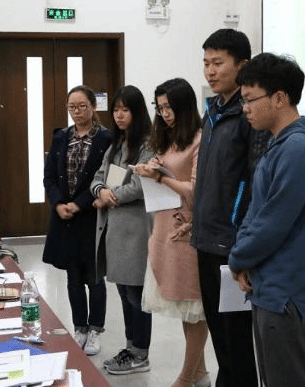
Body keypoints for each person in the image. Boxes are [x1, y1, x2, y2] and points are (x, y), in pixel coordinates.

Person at [228, 53, 305, 387]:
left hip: (288, 292)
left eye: (250, 100)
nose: (245, 109)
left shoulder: (298, 149)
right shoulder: (279, 145)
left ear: (279, 98)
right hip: (270, 285)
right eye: (243, 101)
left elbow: (273, 223)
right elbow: (255, 211)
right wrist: (244, 259)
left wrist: (238, 259)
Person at [191, 28, 267, 387]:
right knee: (220, 339)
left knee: (236, 343)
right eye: (206, 63)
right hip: (206, 240)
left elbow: (253, 186)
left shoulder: (249, 116)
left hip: (231, 246)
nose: (210, 70)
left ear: (243, 65)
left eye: (218, 63)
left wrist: (243, 243)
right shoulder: (212, 112)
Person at [134, 79, 208, 387]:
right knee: (183, 306)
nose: (164, 113)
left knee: (195, 307)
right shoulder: (170, 139)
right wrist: (152, 168)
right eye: (160, 107)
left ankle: (185, 377)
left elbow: (195, 191)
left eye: (169, 107)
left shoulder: (200, 140)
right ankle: (200, 373)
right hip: (164, 228)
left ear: (184, 106)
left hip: (186, 230)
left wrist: (160, 178)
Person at [89, 85, 154, 374]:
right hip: (114, 230)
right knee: (125, 294)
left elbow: (140, 186)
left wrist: (109, 196)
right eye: (116, 109)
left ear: (137, 112)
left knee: (137, 296)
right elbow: (98, 177)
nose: (119, 115)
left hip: (136, 230)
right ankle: (131, 348)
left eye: (125, 109)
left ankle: (140, 353)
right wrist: (101, 191)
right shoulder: (116, 145)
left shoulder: (148, 144)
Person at [42, 85, 112, 355]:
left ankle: (95, 330)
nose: (77, 112)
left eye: (82, 106)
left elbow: (104, 178)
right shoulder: (61, 137)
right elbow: (49, 177)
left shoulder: (105, 138)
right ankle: (80, 327)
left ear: (93, 107)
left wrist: (78, 204)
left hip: (92, 216)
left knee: (94, 277)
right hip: (65, 218)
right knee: (73, 278)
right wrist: (58, 203)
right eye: (72, 107)